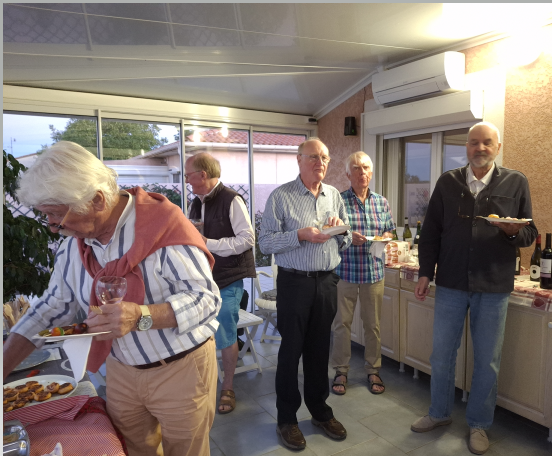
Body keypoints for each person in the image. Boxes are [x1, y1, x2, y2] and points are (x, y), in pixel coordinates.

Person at [3, 141, 221, 456]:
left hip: (181, 369)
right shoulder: (74, 245)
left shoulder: (163, 225)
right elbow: (51, 308)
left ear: (96, 200)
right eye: (47, 217)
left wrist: (142, 316)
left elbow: (207, 299)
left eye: (57, 216)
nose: (53, 229)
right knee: (133, 450)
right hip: (120, 370)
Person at [410, 122, 537, 455]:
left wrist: (511, 231)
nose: (480, 148)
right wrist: (425, 272)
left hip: (493, 286)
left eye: (487, 143)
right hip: (451, 283)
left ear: (498, 147)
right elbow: (431, 232)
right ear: (466, 147)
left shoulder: (516, 182)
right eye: (473, 142)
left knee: (487, 361)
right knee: (441, 355)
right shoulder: (448, 182)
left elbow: (529, 233)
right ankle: (439, 413)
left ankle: (479, 424)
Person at [259, 138, 352, 450]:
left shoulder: (334, 195)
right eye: (313, 157)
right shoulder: (281, 196)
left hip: (326, 282)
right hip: (294, 283)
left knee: (319, 350)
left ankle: (320, 411)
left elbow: (346, 239)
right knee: (290, 352)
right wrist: (299, 235)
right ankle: (286, 419)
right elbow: (265, 243)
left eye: (324, 158)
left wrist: (340, 229)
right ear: (298, 160)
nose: (320, 163)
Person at [185, 152, 256, 415]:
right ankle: (201, 379)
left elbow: (247, 239)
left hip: (228, 277)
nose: (187, 180)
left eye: (188, 175)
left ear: (203, 175)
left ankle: (227, 386)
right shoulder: (195, 203)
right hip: (203, 279)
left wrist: (209, 244)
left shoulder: (232, 200)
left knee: (225, 325)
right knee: (196, 327)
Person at [331, 151, 395, 396]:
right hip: (345, 272)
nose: (362, 172)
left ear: (371, 172)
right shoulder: (338, 201)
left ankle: (373, 370)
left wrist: (384, 237)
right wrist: (348, 237)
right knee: (342, 325)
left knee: (373, 326)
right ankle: (341, 370)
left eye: (366, 167)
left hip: (373, 272)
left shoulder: (381, 202)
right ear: (348, 174)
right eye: (356, 168)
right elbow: (330, 234)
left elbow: (389, 230)